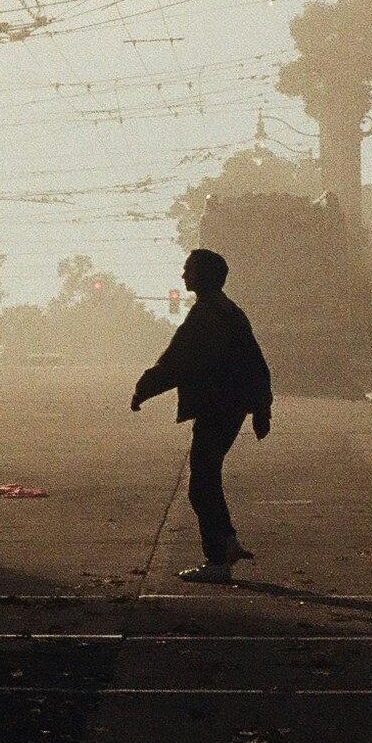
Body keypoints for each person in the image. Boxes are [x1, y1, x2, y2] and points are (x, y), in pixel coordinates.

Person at [131, 247, 273, 584]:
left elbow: (176, 362)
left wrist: (143, 389)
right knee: (208, 476)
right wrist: (261, 406)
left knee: (201, 482)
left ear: (204, 275)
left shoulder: (206, 316)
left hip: (218, 405)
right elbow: (256, 361)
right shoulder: (229, 310)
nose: (183, 275)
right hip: (232, 405)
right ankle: (226, 542)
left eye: (188, 269)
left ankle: (217, 560)